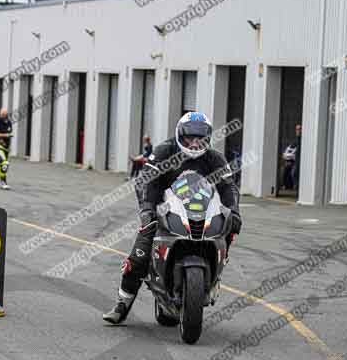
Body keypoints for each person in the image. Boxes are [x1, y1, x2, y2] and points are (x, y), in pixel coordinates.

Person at [103, 112, 243, 324]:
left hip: (201, 210)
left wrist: (234, 211)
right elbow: (145, 181)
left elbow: (228, 186)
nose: (195, 143)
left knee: (230, 229)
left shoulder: (215, 158)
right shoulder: (164, 151)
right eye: (190, 138)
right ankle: (122, 302)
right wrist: (148, 208)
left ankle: (215, 272)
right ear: (180, 136)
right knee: (140, 252)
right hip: (165, 208)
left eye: (200, 139)